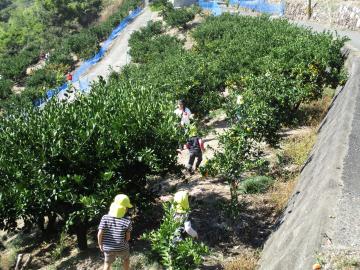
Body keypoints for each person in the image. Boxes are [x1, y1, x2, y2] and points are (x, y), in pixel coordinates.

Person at [98, 194, 133, 270]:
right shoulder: (127, 220)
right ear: (125, 209)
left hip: (108, 247)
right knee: (126, 260)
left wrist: (100, 244)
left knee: (107, 263)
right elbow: (128, 237)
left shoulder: (105, 218)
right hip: (121, 247)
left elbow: (100, 233)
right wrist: (124, 243)